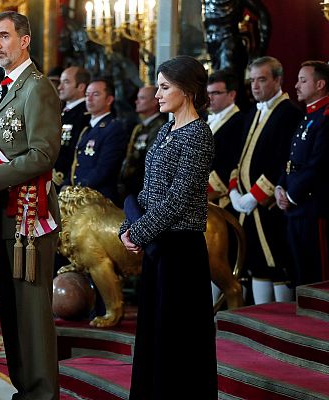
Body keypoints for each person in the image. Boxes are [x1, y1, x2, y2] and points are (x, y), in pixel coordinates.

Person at [0, 11, 61, 400]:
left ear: (25, 40)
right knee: (11, 311)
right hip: (5, 210)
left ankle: (41, 393)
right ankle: (25, 388)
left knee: (31, 313)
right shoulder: (8, 87)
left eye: (4, 36)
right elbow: (5, 152)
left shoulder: (37, 87)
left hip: (28, 212)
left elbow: (42, 155)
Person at [119, 55, 217, 398]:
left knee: (178, 339)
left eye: (164, 87)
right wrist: (126, 228)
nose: (157, 94)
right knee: (154, 336)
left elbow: (177, 200)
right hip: (158, 249)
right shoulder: (166, 128)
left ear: (187, 90)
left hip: (181, 252)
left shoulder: (198, 134)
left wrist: (138, 232)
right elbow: (148, 191)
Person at [229, 56, 303, 304]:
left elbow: (283, 160)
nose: (255, 86)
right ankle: (261, 316)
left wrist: (255, 196)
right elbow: (239, 156)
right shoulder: (251, 114)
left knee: (277, 261)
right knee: (256, 262)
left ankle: (283, 320)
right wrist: (234, 192)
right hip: (246, 205)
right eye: (252, 80)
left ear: (278, 80)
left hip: (270, 205)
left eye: (262, 79)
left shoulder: (288, 112)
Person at [276, 60, 329, 285]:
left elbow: (319, 164)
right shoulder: (308, 116)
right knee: (300, 271)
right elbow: (292, 159)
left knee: (317, 273)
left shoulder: (325, 118)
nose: (296, 85)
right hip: (296, 206)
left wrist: (291, 195)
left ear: (320, 84)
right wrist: (280, 186)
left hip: (312, 205)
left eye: (303, 80)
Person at [65, 77, 129, 205]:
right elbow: (76, 164)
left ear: (109, 100)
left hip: (99, 200)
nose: (89, 99)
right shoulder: (88, 128)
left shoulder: (113, 128)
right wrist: (66, 184)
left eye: (95, 95)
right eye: (87, 94)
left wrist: (78, 188)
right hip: (80, 197)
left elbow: (104, 168)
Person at [118, 85, 167, 200]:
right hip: (132, 186)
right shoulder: (141, 127)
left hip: (142, 186)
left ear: (155, 102)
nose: (136, 101)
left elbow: (150, 159)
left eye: (142, 98)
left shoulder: (159, 127)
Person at [205, 69, 245, 208]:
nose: (210, 98)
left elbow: (231, 162)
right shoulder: (206, 119)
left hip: (221, 197)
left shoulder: (240, 121)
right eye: (208, 93)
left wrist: (199, 191)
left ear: (232, 94)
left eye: (215, 93)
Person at [53, 66, 90, 191]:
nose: (59, 87)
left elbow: (77, 151)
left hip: (66, 181)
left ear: (81, 87)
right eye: (60, 82)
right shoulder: (63, 112)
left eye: (66, 82)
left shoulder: (84, 115)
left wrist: (66, 178)